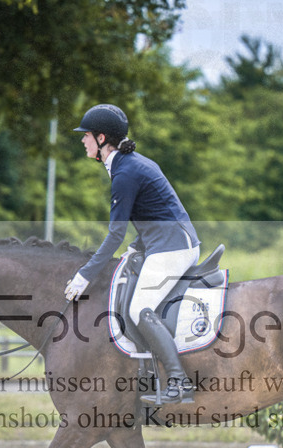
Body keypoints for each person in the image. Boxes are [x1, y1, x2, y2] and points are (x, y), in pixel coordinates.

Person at [63, 103, 200, 404]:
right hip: (167, 241)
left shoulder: (125, 173)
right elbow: (155, 210)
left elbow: (115, 234)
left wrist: (85, 275)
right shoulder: (131, 164)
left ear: (101, 139)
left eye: (86, 135)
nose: (82, 140)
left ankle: (178, 381)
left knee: (140, 309)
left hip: (172, 247)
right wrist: (137, 246)